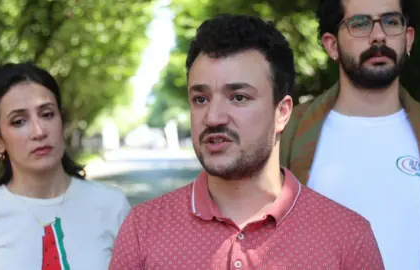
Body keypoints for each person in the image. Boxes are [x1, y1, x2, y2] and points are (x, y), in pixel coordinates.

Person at [109, 14, 384, 270]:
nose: (213, 117)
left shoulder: (348, 237)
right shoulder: (142, 229)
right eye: (201, 99)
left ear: (282, 112)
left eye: (238, 97)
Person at [280, 0, 420, 269]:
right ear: (332, 45)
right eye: (360, 24)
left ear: (408, 39)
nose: (378, 35)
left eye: (391, 22)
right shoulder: (287, 133)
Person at [0, 62, 130, 270]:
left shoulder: (112, 205)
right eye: (18, 121)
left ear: (62, 121)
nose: (39, 131)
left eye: (47, 114)